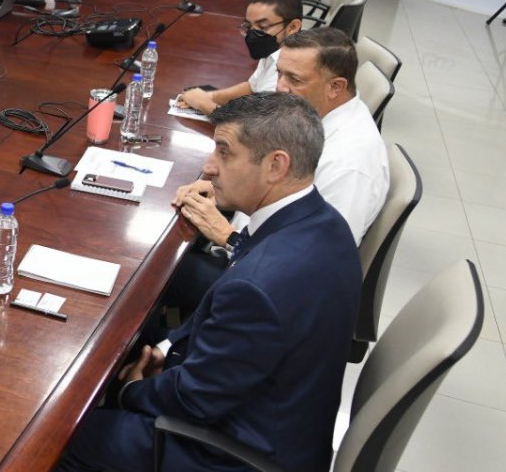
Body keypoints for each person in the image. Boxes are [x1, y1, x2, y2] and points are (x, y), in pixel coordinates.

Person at [57, 93, 361, 472]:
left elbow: (194, 401)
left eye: (224, 152)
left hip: (238, 454)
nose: (209, 166)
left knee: (67, 437)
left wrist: (132, 389)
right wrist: (169, 352)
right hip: (283, 417)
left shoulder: (258, 288)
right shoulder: (324, 222)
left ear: (276, 166)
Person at [177, 27, 389, 247]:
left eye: (295, 80)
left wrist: (227, 236)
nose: (280, 87)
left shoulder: (348, 166)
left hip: (256, 266)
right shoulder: (314, 117)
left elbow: (315, 258)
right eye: (279, 73)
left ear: (335, 87)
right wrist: (228, 187)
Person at [177, 0, 303, 115]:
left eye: (262, 27)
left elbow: (256, 126)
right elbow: (251, 86)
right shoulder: (274, 48)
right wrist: (209, 96)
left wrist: (202, 103)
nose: (253, 35)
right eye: (249, 26)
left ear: (292, 27)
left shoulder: (294, 69)